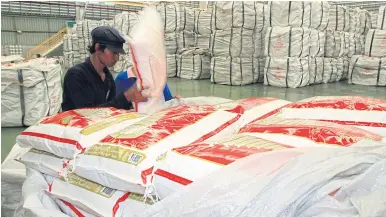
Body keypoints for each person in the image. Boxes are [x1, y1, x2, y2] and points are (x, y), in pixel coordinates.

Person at [61, 26, 148, 111]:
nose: (116, 58)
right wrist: (126, 97)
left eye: (118, 53)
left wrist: (131, 101)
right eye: (113, 52)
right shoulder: (76, 75)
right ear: (98, 48)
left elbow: (110, 107)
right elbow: (87, 113)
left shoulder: (107, 77)